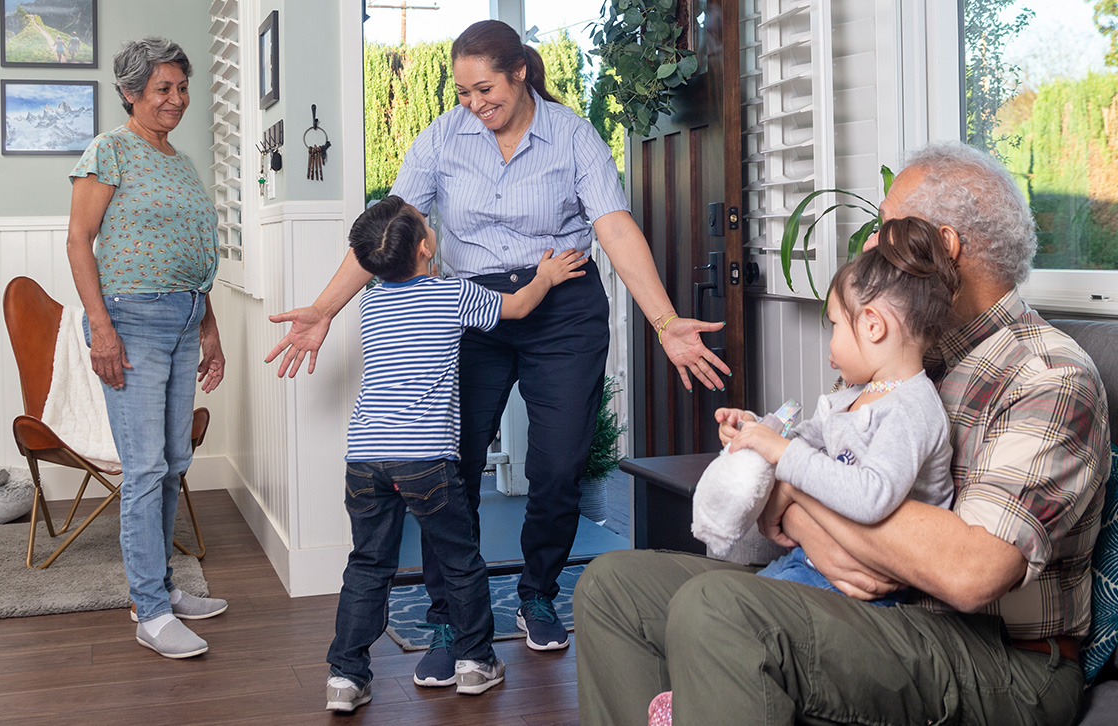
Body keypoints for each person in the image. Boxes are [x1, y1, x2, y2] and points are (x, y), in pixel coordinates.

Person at [574, 141, 1111, 726]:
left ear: (946, 245)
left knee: (720, 608)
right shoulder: (897, 360)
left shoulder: (1046, 375)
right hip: (879, 614)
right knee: (611, 589)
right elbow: (788, 488)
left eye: (887, 229)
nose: (872, 248)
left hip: (1000, 659)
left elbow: (971, 572)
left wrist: (800, 492)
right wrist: (799, 498)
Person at [266, 19, 730, 685]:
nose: (474, 104)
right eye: (461, 93)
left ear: (519, 73)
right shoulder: (443, 138)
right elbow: (392, 226)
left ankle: (538, 592)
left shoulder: (571, 135)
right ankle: (450, 619)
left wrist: (662, 321)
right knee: (447, 466)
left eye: (485, 89)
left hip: (563, 308)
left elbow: (614, 225)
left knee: (560, 462)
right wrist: (322, 308)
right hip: (472, 308)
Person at [322, 195, 587, 712]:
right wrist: (548, 275)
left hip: (366, 456)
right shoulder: (452, 294)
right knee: (460, 558)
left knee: (368, 564)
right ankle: (475, 662)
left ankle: (345, 677)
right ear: (427, 245)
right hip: (425, 458)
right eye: (426, 222)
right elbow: (519, 306)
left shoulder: (370, 302)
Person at [66, 36, 228, 660]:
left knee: (172, 461)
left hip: (185, 318)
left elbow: (195, 258)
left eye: (182, 88)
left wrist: (209, 327)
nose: (176, 99)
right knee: (143, 469)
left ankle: (158, 587)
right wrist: (101, 328)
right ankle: (150, 612)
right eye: (162, 89)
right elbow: (80, 241)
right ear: (131, 93)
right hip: (131, 321)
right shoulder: (110, 150)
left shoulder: (179, 162)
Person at [725, 216, 958, 605]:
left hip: (864, 594)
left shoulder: (911, 408)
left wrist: (784, 455)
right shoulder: (857, 395)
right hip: (811, 563)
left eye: (834, 325)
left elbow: (872, 496)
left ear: (872, 326)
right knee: (720, 608)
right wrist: (758, 432)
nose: (830, 346)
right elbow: (804, 438)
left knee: (728, 614)